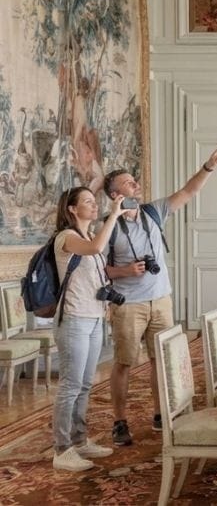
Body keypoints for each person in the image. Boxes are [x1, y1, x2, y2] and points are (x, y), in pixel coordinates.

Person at [103, 147, 217, 446]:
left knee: (161, 360)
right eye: (130, 183)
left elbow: (188, 192)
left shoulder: (153, 212)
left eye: (135, 181)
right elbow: (99, 269)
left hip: (161, 300)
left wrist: (207, 167)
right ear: (115, 194)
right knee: (124, 363)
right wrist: (126, 270)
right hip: (129, 305)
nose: (137, 186)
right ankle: (119, 421)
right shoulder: (107, 227)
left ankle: (160, 414)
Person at [52, 186, 125, 471]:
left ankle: (79, 440)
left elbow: (96, 265)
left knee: (84, 383)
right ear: (72, 209)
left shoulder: (87, 237)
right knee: (70, 385)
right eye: (88, 202)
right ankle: (62, 449)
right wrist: (114, 216)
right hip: (73, 320)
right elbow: (95, 248)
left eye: (95, 202)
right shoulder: (67, 238)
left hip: (94, 317)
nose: (94, 206)